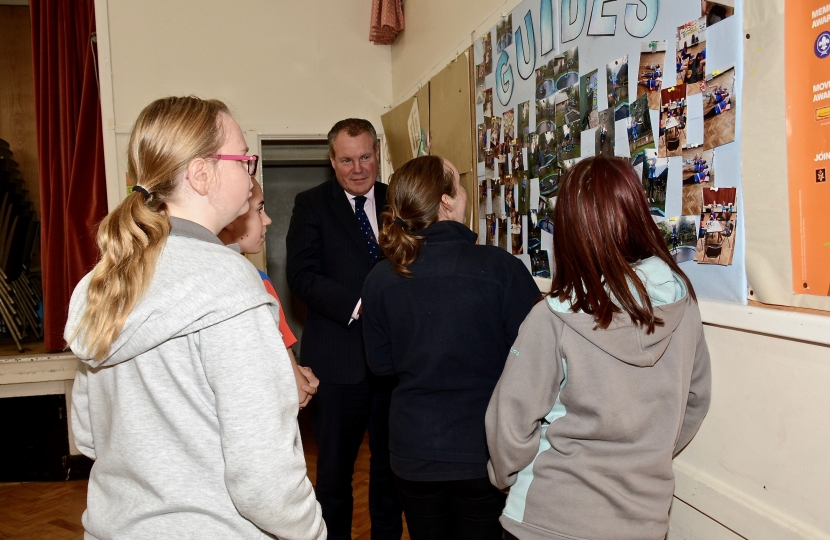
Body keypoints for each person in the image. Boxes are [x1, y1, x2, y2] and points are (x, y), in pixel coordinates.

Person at [65, 96, 325, 539]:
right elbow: (263, 479)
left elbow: (87, 435)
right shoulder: (231, 284)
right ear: (202, 175)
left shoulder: (105, 280)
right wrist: (313, 532)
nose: (251, 172)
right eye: (245, 159)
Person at [486, 156, 711, 540]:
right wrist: (643, 454)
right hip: (644, 523)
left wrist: (506, 477)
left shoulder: (553, 317)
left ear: (570, 230)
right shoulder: (683, 305)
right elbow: (695, 400)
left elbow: (509, 424)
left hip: (548, 519)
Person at [362, 156, 540, 540]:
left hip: (413, 453)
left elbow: (381, 365)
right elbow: (536, 364)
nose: (464, 194)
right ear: (446, 201)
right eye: (458, 187)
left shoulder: (381, 277)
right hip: (484, 452)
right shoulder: (501, 269)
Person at [286, 118, 402, 540]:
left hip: (392, 366)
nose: (358, 168)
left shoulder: (399, 201)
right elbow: (301, 275)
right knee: (334, 479)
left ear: (377, 154)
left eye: (366, 157)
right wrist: (358, 306)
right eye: (347, 160)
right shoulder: (311, 205)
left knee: (390, 475)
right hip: (337, 366)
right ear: (332, 161)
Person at [218, 179, 319, 409]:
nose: (267, 220)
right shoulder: (258, 282)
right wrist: (299, 377)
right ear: (231, 218)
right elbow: (299, 390)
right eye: (259, 209)